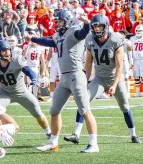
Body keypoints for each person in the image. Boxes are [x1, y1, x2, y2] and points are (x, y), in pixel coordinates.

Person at [64, 14, 141, 145]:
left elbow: (119, 66)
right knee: (84, 100)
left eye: (99, 26)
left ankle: (133, 134)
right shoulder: (90, 39)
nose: (97, 29)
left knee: (124, 107)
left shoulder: (115, 39)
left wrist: (115, 84)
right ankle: (76, 134)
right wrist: (85, 82)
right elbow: (88, 63)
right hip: (99, 78)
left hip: (114, 78)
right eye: (94, 26)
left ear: (105, 26)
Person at [29, 10, 98, 153]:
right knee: (54, 110)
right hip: (64, 78)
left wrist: (86, 23)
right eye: (57, 21)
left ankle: (93, 144)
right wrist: (33, 39)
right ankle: (53, 142)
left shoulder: (74, 31)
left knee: (85, 110)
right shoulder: (59, 35)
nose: (57, 23)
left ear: (68, 21)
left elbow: (83, 33)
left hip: (76, 76)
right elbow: (49, 42)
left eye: (60, 21)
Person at [0, 40, 51, 140]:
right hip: (4, 92)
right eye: (4, 51)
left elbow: (28, 70)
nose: (7, 53)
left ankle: (48, 132)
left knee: (37, 112)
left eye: (8, 50)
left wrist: (33, 78)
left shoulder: (16, 60)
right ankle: (1, 131)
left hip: (21, 91)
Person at [130, 25, 143, 97]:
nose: (138, 32)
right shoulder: (132, 38)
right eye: (137, 31)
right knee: (137, 76)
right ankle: (137, 92)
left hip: (142, 59)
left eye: (140, 31)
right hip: (135, 59)